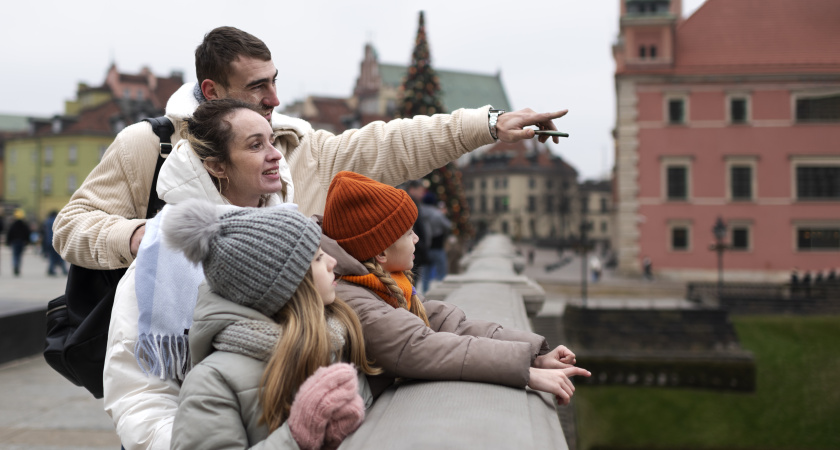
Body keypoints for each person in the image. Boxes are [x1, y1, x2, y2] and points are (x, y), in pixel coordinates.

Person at [53, 25, 569, 272]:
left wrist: (489, 124)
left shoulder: (298, 146)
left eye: (275, 81)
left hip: (281, 373)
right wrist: (142, 236)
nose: (275, 98)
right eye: (258, 87)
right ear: (211, 92)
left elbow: (391, 145)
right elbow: (71, 226)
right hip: (170, 369)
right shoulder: (150, 145)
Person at [103, 99, 297, 449]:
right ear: (217, 165)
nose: (275, 155)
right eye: (256, 145)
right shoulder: (165, 255)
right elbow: (140, 394)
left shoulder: (292, 237)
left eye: (272, 141)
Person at [320, 172, 590, 403]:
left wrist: (534, 355)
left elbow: (447, 324)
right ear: (379, 253)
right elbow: (420, 346)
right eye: (407, 233)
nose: (416, 238)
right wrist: (526, 373)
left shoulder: (379, 283)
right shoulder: (351, 297)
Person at [164, 200, 378, 450]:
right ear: (286, 285)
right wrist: (298, 435)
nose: (333, 262)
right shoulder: (212, 381)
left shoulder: (333, 339)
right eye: (318, 257)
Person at [43, 210, 68, 276]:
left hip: (48, 241)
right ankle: (64, 270)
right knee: (60, 257)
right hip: (57, 241)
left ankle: (51, 269)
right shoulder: (57, 221)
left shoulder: (47, 221)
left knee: (51, 257)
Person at [6, 209, 30, 277]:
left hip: (14, 242)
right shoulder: (24, 225)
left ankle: (15, 265)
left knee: (15, 255)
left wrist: (8, 242)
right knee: (19, 256)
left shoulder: (13, 224)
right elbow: (27, 233)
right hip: (22, 242)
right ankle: (18, 267)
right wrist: (27, 241)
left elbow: (9, 233)